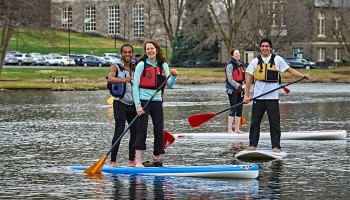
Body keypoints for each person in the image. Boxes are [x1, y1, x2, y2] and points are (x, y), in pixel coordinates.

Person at [243, 38, 309, 153]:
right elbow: (249, 80)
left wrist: (302, 76)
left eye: (267, 46)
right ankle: (253, 145)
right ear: (260, 48)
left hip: (272, 98)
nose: (264, 48)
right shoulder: (255, 61)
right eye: (263, 46)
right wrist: (247, 95)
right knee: (254, 123)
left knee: (274, 123)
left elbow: (290, 70)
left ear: (270, 48)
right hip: (258, 98)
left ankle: (276, 146)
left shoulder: (278, 60)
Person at [132, 40, 178, 168]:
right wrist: (138, 105)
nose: (150, 51)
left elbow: (169, 84)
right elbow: (135, 86)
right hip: (143, 101)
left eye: (152, 48)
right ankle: (138, 161)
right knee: (142, 130)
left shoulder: (163, 65)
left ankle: (157, 159)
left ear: (156, 50)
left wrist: (174, 76)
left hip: (157, 101)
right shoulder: (141, 65)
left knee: (159, 129)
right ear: (145, 51)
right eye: (147, 49)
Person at [107, 44, 137, 167]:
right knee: (119, 132)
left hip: (134, 105)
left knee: (134, 133)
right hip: (120, 104)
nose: (127, 54)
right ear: (121, 53)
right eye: (125, 52)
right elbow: (110, 78)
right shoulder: (116, 66)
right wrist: (123, 80)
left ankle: (131, 161)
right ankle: (113, 161)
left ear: (132, 53)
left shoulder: (136, 66)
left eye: (129, 52)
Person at [225, 48, 246, 133]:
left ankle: (237, 129)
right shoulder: (230, 65)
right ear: (232, 55)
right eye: (236, 53)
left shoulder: (240, 65)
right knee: (233, 108)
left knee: (240, 109)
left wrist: (243, 87)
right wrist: (240, 86)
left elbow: (242, 78)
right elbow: (230, 79)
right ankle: (230, 130)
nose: (238, 55)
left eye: (238, 53)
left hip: (240, 90)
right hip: (232, 90)